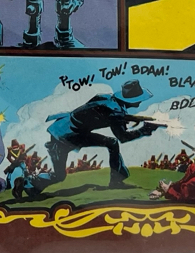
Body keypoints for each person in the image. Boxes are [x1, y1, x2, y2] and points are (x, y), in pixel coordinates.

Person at [27, 80, 161, 194]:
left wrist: (126, 118)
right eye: (139, 99)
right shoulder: (115, 112)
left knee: (112, 143)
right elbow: (123, 137)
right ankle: (30, 183)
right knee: (59, 176)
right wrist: (144, 130)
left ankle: (116, 180)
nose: (140, 102)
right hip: (66, 135)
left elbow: (92, 112)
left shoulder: (106, 98)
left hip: (66, 128)